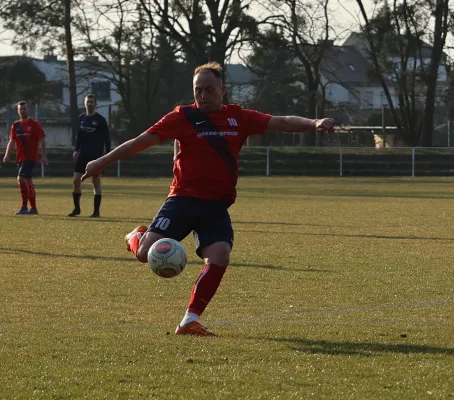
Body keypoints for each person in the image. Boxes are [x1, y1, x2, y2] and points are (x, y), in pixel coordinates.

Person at [82, 61, 335, 336]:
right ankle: (136, 236)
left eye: (209, 90)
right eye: (198, 90)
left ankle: (189, 321)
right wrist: (101, 161)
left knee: (220, 256)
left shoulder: (239, 117)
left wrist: (315, 122)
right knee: (145, 254)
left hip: (215, 205)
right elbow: (140, 141)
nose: (203, 96)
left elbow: (282, 122)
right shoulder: (182, 116)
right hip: (182, 200)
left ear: (222, 90)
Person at [68, 93, 111, 218]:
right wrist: (76, 150)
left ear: (96, 104)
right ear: (84, 103)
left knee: (95, 182)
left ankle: (96, 211)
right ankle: (76, 209)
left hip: (96, 156)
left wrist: (106, 153)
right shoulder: (82, 118)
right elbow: (79, 137)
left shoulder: (100, 120)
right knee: (76, 181)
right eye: (88, 102)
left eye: (92, 102)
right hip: (83, 155)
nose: (90, 104)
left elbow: (106, 138)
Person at [3, 101, 48, 215]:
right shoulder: (16, 125)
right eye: (20, 109)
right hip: (20, 158)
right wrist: (7, 155)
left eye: (24, 108)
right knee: (28, 181)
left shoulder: (34, 124)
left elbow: (42, 140)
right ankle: (33, 208)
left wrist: (43, 156)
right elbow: (12, 141)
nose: (23, 110)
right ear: (18, 111)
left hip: (30, 157)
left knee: (20, 178)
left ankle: (24, 206)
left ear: (28, 110)